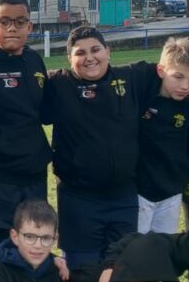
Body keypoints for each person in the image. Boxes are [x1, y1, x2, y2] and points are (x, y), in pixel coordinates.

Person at [45, 25, 139, 262]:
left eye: (95, 50)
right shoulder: (58, 84)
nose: (89, 58)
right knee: (82, 275)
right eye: (80, 53)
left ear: (108, 51)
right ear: (69, 58)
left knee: (122, 271)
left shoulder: (131, 77)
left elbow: (176, 62)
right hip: (78, 199)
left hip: (124, 197)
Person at [0, 0, 50, 238]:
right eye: (4, 21)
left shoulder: (34, 59)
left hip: (35, 174)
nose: (12, 28)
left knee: (35, 242)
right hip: (0, 180)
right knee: (2, 248)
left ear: (30, 26)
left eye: (19, 21)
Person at [133, 37, 189, 233]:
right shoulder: (142, 95)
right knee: (137, 250)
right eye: (178, 77)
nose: (185, 86)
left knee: (162, 249)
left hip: (172, 191)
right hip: (140, 192)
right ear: (161, 71)